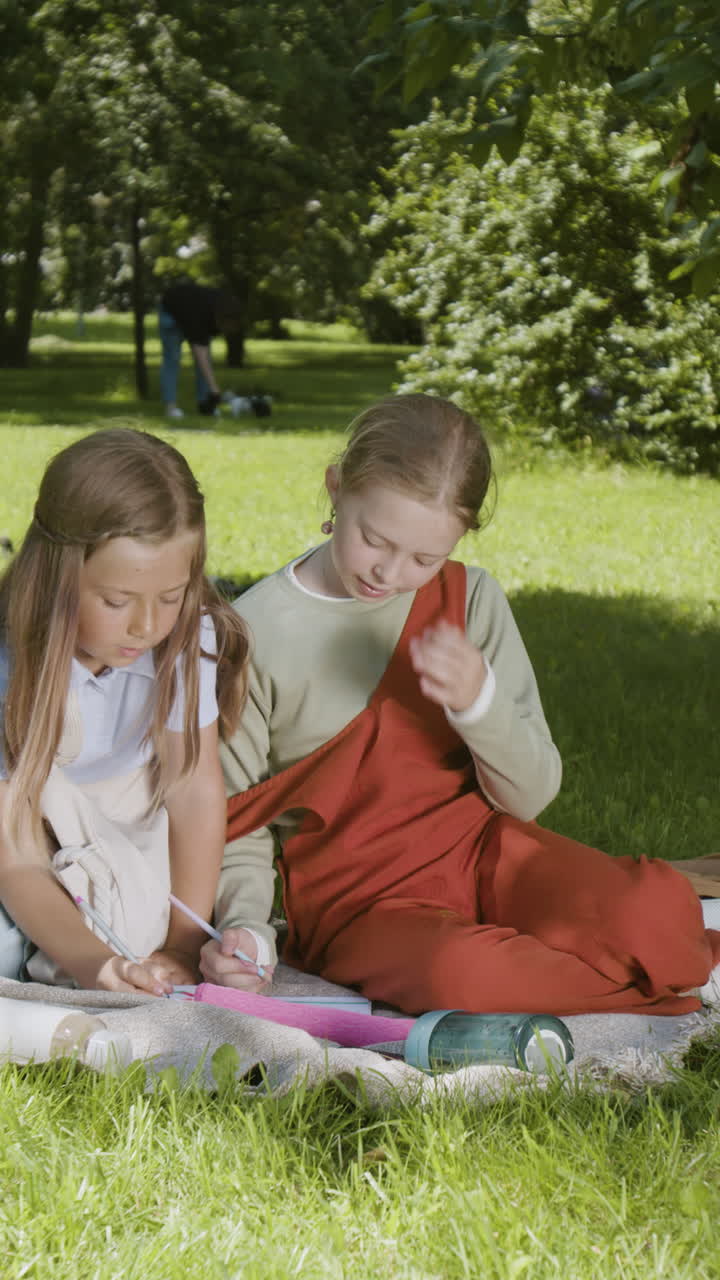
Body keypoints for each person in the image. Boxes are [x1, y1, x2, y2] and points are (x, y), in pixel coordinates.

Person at [200, 393, 720, 1017]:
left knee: (648, 916)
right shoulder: (251, 634)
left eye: (425, 557)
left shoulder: (470, 599)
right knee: (464, 978)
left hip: (487, 852)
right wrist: (247, 927)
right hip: (362, 904)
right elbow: (241, 818)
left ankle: (646, 965)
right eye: (375, 540)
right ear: (336, 489)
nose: (389, 574)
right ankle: (664, 987)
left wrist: (479, 704)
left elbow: (529, 797)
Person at [0, 429, 250, 994]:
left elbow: (193, 789)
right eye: (116, 602)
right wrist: (99, 967)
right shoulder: (10, 668)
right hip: (27, 835)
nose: (147, 626)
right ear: (56, 579)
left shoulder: (186, 640)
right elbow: (16, 859)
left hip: (125, 826)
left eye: (170, 596)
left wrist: (183, 942)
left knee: (159, 928)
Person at [158, 283, 241, 419]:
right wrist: (215, 389)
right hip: (171, 309)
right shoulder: (201, 314)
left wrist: (214, 391)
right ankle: (170, 408)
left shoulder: (224, 307)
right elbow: (200, 354)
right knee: (172, 359)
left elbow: (203, 350)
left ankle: (204, 405)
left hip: (191, 311)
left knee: (205, 362)